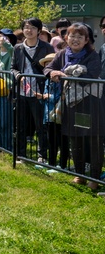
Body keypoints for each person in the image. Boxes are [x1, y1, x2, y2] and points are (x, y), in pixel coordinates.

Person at [45, 23, 103, 190]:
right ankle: (79, 175)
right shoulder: (62, 54)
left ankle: (94, 178)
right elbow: (48, 68)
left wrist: (66, 73)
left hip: (91, 103)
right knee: (74, 138)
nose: (75, 39)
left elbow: (92, 73)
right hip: (71, 103)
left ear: (86, 40)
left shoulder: (93, 55)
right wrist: (53, 73)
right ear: (66, 38)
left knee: (94, 139)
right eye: (72, 36)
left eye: (80, 37)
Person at [12, 18, 53, 161]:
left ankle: (42, 155)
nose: (29, 30)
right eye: (26, 27)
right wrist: (19, 76)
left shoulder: (46, 47)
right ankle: (21, 154)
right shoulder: (18, 48)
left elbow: (52, 66)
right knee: (21, 124)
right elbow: (13, 68)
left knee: (40, 125)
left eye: (33, 28)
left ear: (39, 30)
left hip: (40, 91)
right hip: (22, 91)